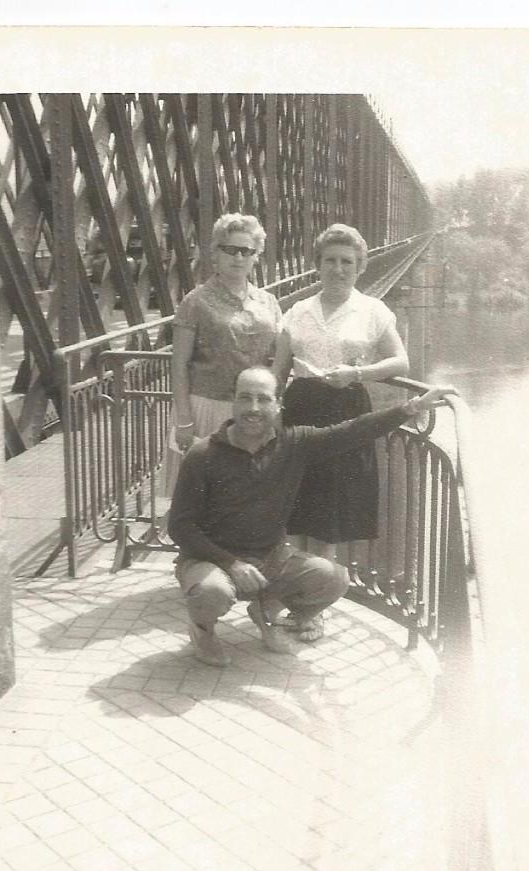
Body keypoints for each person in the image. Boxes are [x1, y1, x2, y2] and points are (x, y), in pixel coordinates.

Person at [168, 366, 454, 667]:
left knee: (333, 578)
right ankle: (203, 632)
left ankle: (265, 611)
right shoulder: (203, 455)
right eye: (245, 398)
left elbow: (354, 430)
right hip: (211, 561)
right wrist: (232, 564)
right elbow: (180, 526)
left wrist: (413, 406)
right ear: (233, 402)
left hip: (269, 557)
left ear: (278, 405)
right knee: (212, 591)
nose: (254, 409)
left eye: (263, 400)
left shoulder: (294, 444)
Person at [273, 223, 409, 560]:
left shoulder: (373, 311)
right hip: (301, 410)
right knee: (299, 504)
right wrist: (271, 414)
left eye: (347, 262)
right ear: (317, 265)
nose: (338, 269)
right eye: (330, 260)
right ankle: (300, 591)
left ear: (361, 267)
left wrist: (358, 373)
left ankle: (315, 599)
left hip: (346, 410)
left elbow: (401, 362)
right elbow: (278, 372)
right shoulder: (298, 311)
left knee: (332, 510)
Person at [163, 213, 283, 494]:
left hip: (253, 409)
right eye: (229, 249)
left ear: (256, 256)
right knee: (203, 495)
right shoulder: (195, 301)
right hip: (207, 409)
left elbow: (280, 359)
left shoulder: (268, 302)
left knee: (248, 493)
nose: (238, 258)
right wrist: (184, 420)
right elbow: (179, 365)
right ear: (215, 253)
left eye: (246, 251)